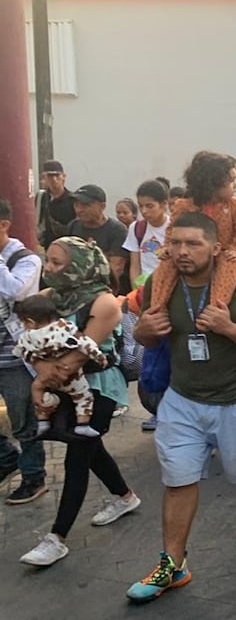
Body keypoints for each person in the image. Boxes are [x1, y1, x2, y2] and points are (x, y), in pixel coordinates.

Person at [127, 212, 236, 601]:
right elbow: (147, 338)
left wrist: (228, 327)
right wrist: (144, 333)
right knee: (178, 481)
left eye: (192, 243)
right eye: (175, 242)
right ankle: (173, 565)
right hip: (182, 401)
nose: (181, 251)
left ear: (215, 248)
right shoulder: (159, 286)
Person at [19, 237, 140, 565]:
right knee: (91, 448)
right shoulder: (46, 297)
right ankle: (125, 497)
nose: (50, 269)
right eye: (50, 261)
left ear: (81, 265)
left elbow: (76, 356)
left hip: (98, 388)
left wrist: (44, 374)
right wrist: (43, 371)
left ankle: (56, 537)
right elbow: (29, 340)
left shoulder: (104, 303)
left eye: (59, 263)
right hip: (61, 386)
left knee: (77, 455)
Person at [149, 151, 236, 312]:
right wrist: (169, 247)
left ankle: (216, 309)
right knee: (166, 266)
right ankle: (157, 309)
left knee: (228, 265)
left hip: (223, 253)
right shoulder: (184, 206)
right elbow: (172, 230)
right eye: (231, 180)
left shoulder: (235, 206)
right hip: (191, 254)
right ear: (214, 182)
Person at [0, 199, 46, 504]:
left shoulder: (25, 259)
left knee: (24, 422)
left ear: (4, 225)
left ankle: (33, 477)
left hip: (14, 357)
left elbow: (14, 291)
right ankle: (6, 458)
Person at [13, 294, 109, 437]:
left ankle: (43, 420)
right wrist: (100, 357)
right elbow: (85, 343)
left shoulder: (26, 336)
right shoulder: (64, 327)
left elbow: (22, 353)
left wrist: (37, 361)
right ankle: (82, 424)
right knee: (83, 396)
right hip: (72, 376)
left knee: (37, 390)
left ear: (31, 322)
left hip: (45, 378)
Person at [66, 184, 128, 289]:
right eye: (76, 205)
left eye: (85, 205)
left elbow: (116, 269)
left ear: (102, 206)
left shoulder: (117, 230)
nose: (79, 210)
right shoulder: (73, 226)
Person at [124, 179, 171, 289]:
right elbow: (135, 265)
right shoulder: (136, 228)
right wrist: (136, 292)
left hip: (167, 286)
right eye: (141, 206)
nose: (144, 211)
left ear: (164, 205)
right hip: (144, 287)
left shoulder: (174, 228)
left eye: (149, 206)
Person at [36, 159, 78, 250]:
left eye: (57, 175)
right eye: (50, 176)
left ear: (64, 176)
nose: (54, 180)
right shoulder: (41, 198)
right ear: (44, 178)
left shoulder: (73, 201)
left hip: (68, 250)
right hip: (47, 249)